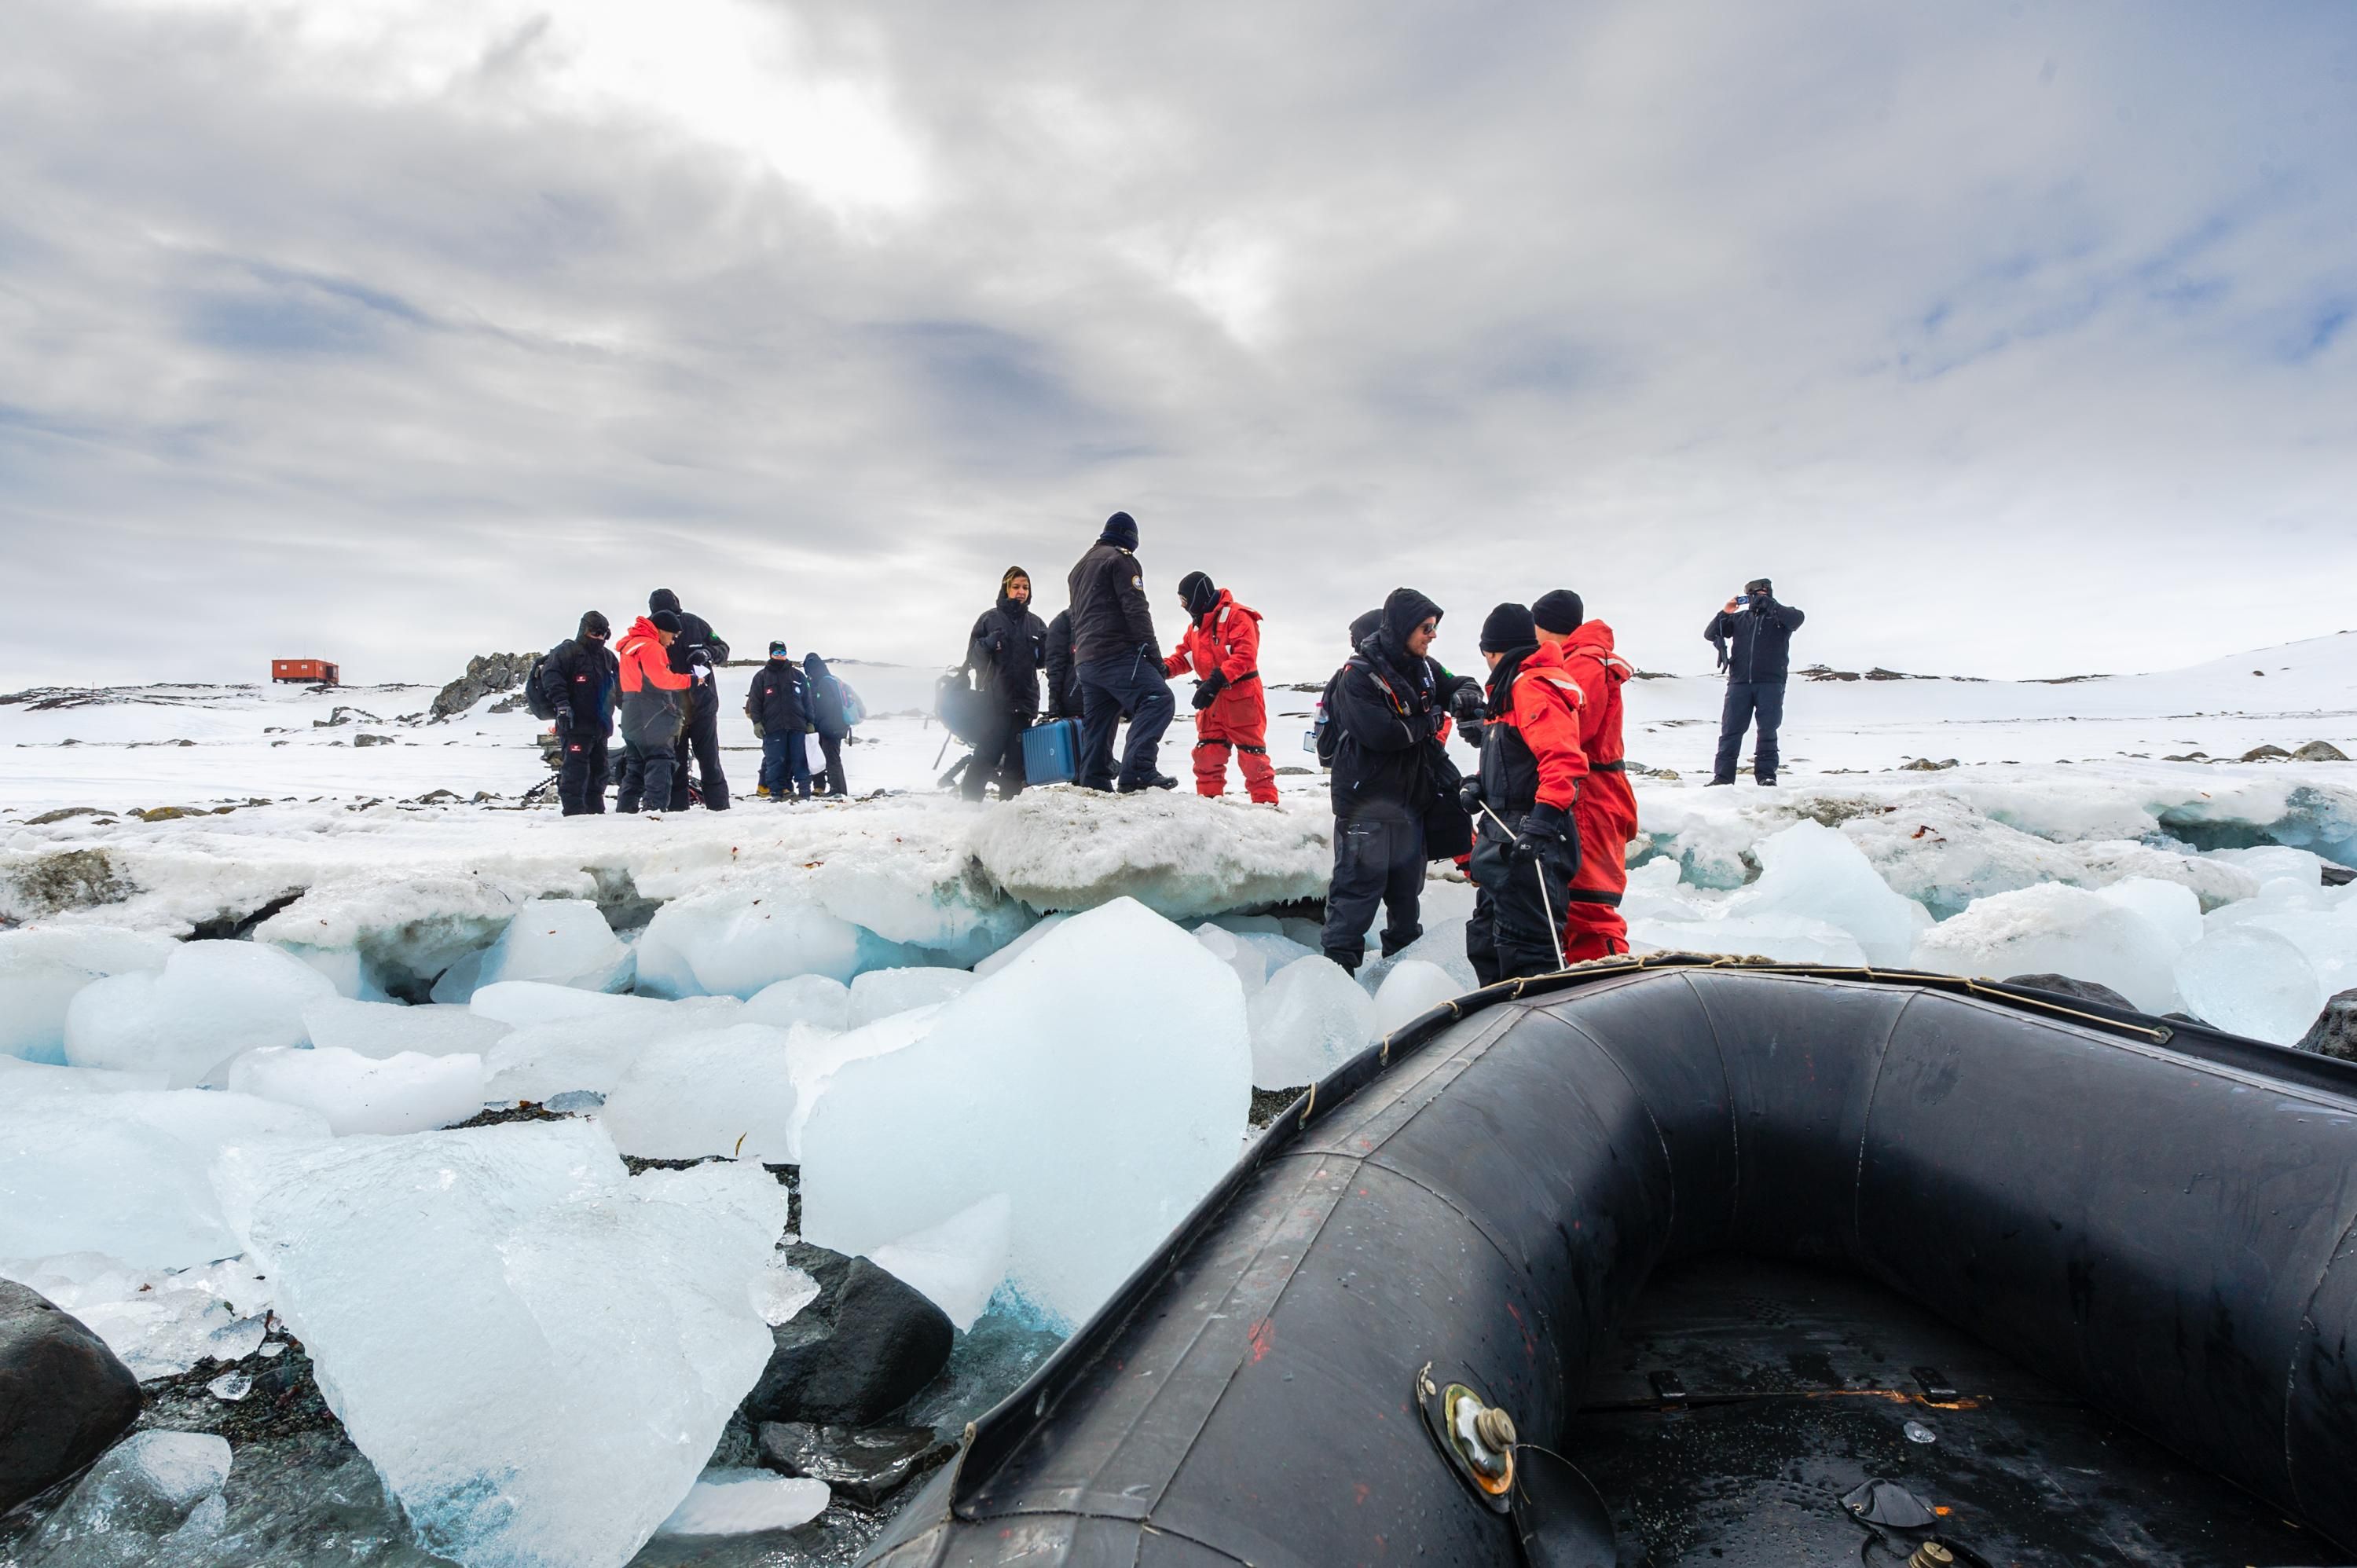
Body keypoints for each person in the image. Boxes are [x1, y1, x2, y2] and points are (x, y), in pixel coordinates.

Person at [1321, 588, 1451, 973]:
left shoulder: (1423, 667)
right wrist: (1430, 721)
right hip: (1365, 807)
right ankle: (1336, 986)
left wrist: (1464, 692)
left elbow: (1452, 681)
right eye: (1426, 627)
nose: (1432, 635)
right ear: (1401, 628)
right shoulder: (1356, 675)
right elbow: (1383, 734)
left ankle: (1403, 980)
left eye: (1434, 627)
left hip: (1408, 804)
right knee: (1355, 895)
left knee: (1406, 898)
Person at [1461, 602, 1582, 984]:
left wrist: (1542, 824)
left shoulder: (1531, 687)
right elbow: (1515, 759)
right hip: (1502, 836)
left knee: (1528, 950)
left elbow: (1562, 760)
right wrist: (1481, 785)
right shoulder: (1510, 692)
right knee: (1486, 940)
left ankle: (1541, 1031)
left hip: (1528, 837)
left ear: (1494, 651)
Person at [1536, 589, 1637, 963]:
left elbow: (1574, 730)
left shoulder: (1582, 665)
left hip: (1592, 797)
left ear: (1544, 626)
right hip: (1595, 792)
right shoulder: (1584, 660)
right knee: (1577, 905)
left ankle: (1604, 984)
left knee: (1590, 908)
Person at [1065, 511, 1176, 793]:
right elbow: (1136, 610)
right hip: (1115, 652)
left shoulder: (1078, 569)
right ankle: (1137, 772)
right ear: (1131, 539)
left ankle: (1094, 781)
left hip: (1086, 662)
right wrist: (1154, 658)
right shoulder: (1121, 560)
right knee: (1158, 698)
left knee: (1101, 718)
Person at [1164, 572, 1277, 804]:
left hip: (1242, 700)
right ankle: (1209, 805)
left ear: (1198, 596)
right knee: (1207, 756)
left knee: (1253, 758)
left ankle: (1267, 808)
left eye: (1185, 601)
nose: (1184, 607)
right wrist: (1163, 669)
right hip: (1212, 702)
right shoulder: (1195, 628)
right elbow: (1185, 658)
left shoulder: (1239, 617)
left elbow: (1245, 656)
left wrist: (1215, 682)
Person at [1705, 577, 1804, 787]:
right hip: (1739, 683)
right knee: (1731, 731)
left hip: (1771, 683)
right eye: (1756, 594)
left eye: (1765, 594)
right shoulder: (1739, 619)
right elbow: (1710, 634)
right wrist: (1725, 612)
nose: (1761, 598)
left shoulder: (1781, 618)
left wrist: (1771, 605)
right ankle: (1722, 778)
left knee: (1767, 730)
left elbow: (1796, 620)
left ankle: (1766, 776)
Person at [962, 567, 1050, 800]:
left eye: (1025, 588)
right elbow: (973, 658)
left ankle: (1007, 810)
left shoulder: (1036, 624)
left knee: (1016, 761)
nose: (1021, 592)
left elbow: (1045, 661)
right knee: (986, 755)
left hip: (1025, 701)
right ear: (1006, 589)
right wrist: (987, 644)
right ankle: (967, 807)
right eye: (1016, 587)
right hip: (994, 701)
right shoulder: (989, 619)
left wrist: (1049, 650)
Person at [649, 588, 731, 811]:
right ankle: (678, 813)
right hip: (670, 711)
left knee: (710, 761)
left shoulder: (696, 624)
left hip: (703, 707)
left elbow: (723, 648)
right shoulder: (649, 633)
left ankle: (720, 809)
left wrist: (707, 653)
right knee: (675, 765)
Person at [537, 611, 618, 815]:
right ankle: (574, 814)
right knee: (575, 771)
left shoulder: (607, 657)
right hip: (575, 725)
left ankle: (595, 811)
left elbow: (620, 685)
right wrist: (562, 705)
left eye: (604, 634)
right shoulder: (567, 652)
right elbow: (552, 678)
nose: (600, 637)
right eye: (595, 632)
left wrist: (631, 708)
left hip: (600, 726)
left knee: (600, 771)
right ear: (584, 630)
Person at [615, 610, 692, 813]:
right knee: (660, 759)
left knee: (636, 764)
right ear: (661, 631)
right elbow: (661, 679)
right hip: (651, 710)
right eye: (673, 636)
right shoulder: (651, 647)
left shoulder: (631, 645)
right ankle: (654, 811)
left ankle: (625, 811)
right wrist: (689, 680)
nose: (673, 642)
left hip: (631, 708)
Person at [745, 641, 810, 801]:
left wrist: (810, 722)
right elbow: (755, 701)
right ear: (770, 654)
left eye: (782, 653)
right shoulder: (761, 677)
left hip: (797, 726)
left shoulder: (798, 676)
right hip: (773, 727)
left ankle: (804, 792)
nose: (779, 656)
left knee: (799, 759)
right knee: (775, 761)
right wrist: (757, 723)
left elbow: (807, 701)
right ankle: (776, 793)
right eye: (776, 653)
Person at [805, 651, 852, 797]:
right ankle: (828, 788)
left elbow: (825, 707)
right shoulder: (831, 680)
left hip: (829, 728)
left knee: (831, 758)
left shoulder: (824, 682)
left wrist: (816, 722)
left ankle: (838, 790)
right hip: (834, 727)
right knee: (828, 758)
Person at [1043, 607, 1080, 721]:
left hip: (1104, 702)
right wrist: (1054, 702)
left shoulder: (1105, 616)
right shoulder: (1063, 621)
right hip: (1075, 704)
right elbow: (1055, 665)